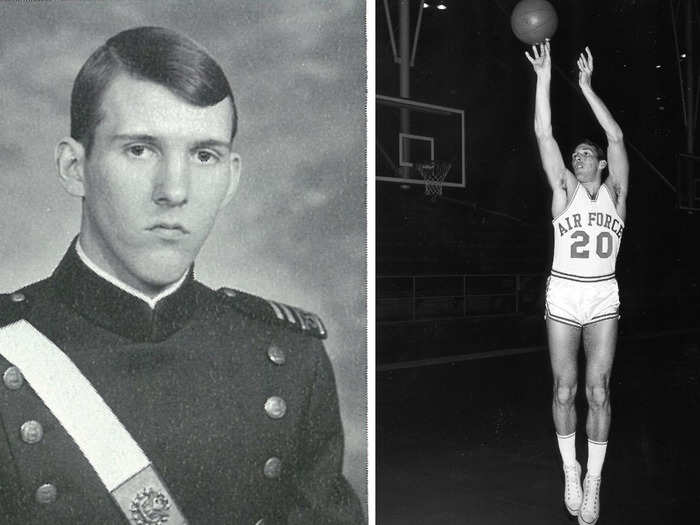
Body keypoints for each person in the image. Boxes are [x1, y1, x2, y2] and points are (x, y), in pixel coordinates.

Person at [0, 26, 364, 524]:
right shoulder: (10, 351)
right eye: (139, 149)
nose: (174, 190)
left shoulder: (290, 362)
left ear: (231, 177)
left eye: (204, 154)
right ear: (74, 167)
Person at [526, 41, 628, 525]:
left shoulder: (617, 194)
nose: (579, 156)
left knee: (599, 389)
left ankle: (594, 480)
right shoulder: (563, 190)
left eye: (587, 153)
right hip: (565, 291)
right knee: (564, 389)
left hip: (603, 292)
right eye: (577, 154)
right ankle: (570, 469)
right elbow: (544, 133)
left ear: (601, 164)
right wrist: (545, 75)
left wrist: (586, 87)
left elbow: (617, 136)